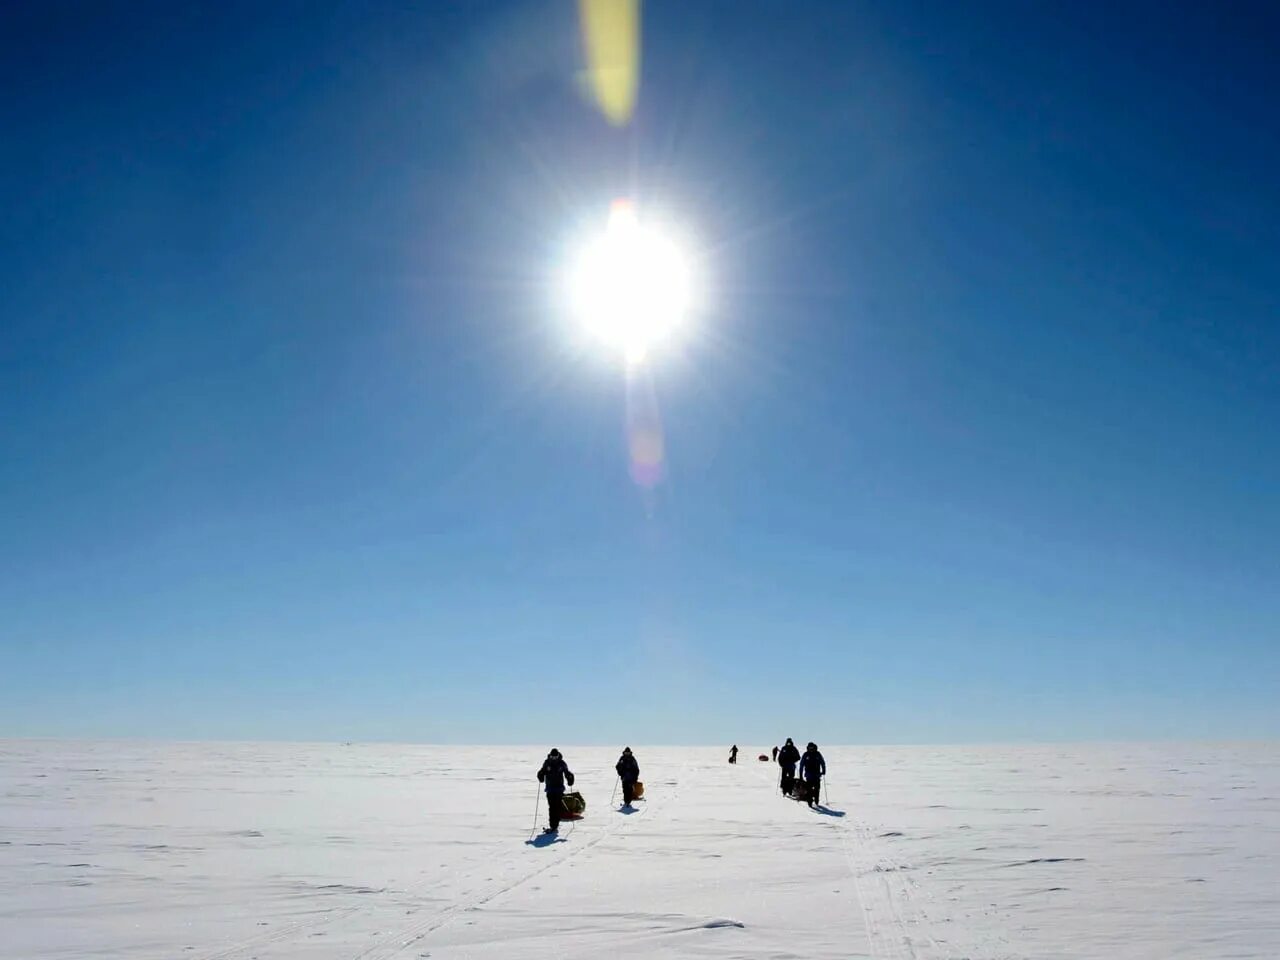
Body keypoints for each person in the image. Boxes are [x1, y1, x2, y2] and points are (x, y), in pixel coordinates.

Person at [536, 748, 575, 834]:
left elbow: (567, 772)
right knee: (552, 807)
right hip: (550, 788)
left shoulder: (562, 763)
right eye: (553, 757)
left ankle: (554, 825)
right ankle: (553, 825)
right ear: (550, 756)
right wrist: (540, 775)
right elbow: (542, 771)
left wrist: (570, 778)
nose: (554, 759)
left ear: (558, 756)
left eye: (555, 757)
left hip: (559, 788)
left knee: (556, 806)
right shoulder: (547, 763)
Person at [799, 741, 826, 808]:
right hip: (809, 775)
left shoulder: (818, 754)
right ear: (808, 748)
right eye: (809, 747)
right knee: (809, 789)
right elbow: (801, 765)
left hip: (817, 775)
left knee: (817, 788)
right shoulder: (806, 754)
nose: (811, 749)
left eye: (812, 747)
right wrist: (800, 775)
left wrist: (823, 770)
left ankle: (816, 800)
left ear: (814, 747)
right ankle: (809, 801)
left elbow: (822, 762)